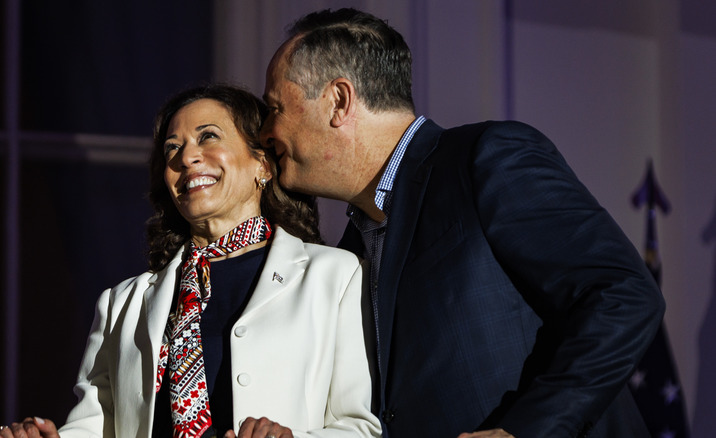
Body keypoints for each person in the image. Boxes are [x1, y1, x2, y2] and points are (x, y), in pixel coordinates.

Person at [260, 8, 665, 438]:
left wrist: (522, 431)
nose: (265, 132)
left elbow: (623, 293)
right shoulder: (347, 255)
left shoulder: (486, 158)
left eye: (274, 108)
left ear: (339, 100)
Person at [0, 85, 381, 438]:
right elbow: (95, 426)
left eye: (208, 137)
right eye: (172, 148)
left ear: (261, 163)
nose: (187, 157)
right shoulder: (121, 304)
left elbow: (362, 426)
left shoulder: (337, 276)